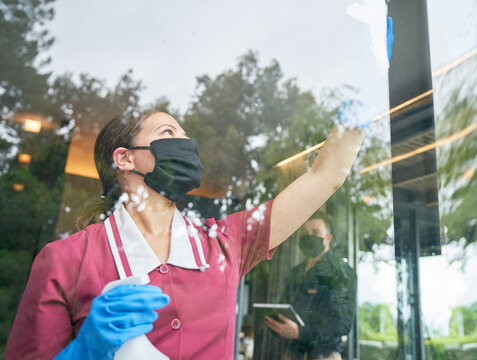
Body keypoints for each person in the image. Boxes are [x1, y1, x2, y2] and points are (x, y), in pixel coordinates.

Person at [5, 109, 363, 359]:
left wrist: (366, 88)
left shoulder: (227, 243)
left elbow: (325, 175)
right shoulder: (64, 259)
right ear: (126, 159)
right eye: (168, 133)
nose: (185, 142)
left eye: (185, 135)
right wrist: (85, 351)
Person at [264, 212, 356, 360]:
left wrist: (300, 333)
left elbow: (343, 323)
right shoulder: (296, 272)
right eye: (305, 232)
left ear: (328, 238)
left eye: (316, 232)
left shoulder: (342, 273)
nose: (309, 236)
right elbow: (285, 307)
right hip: (291, 355)